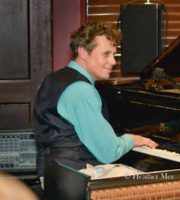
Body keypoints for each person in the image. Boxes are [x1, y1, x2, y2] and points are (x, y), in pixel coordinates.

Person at [33, 21, 158, 176]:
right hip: (78, 176)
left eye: (114, 55)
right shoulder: (81, 90)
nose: (113, 61)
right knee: (160, 183)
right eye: (106, 54)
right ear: (84, 52)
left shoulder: (53, 79)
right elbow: (108, 152)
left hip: (54, 173)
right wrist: (131, 139)